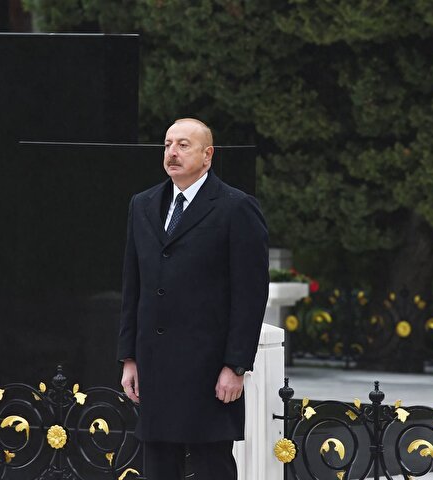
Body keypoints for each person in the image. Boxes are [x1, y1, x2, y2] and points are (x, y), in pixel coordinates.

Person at [117, 118, 270, 479]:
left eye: (183, 145)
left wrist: (235, 366)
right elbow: (133, 286)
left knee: (211, 465)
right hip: (155, 366)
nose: (172, 152)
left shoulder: (236, 207)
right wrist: (129, 358)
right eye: (168, 144)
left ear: (208, 155)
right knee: (158, 466)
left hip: (208, 369)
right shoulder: (143, 204)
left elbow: (250, 294)